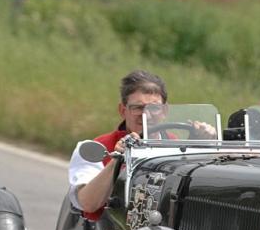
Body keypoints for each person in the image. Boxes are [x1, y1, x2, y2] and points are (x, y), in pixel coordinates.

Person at [68, 70, 215, 219]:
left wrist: (202, 143)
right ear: (123, 111)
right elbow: (88, 203)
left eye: (154, 108)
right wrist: (117, 159)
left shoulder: (177, 147)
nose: (146, 115)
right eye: (138, 108)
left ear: (165, 111)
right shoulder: (97, 147)